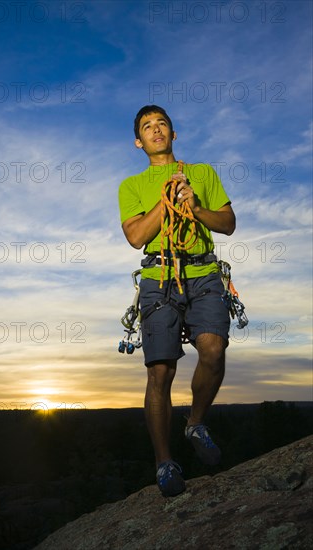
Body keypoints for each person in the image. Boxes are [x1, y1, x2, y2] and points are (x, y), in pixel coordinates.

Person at [118, 105, 236, 497]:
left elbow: (229, 224)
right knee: (160, 371)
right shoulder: (131, 185)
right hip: (158, 277)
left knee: (214, 349)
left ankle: (195, 422)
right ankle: (165, 463)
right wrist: (167, 197)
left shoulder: (202, 173)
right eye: (147, 127)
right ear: (138, 141)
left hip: (202, 271)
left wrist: (196, 207)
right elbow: (136, 237)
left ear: (173, 133)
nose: (156, 130)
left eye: (162, 124)